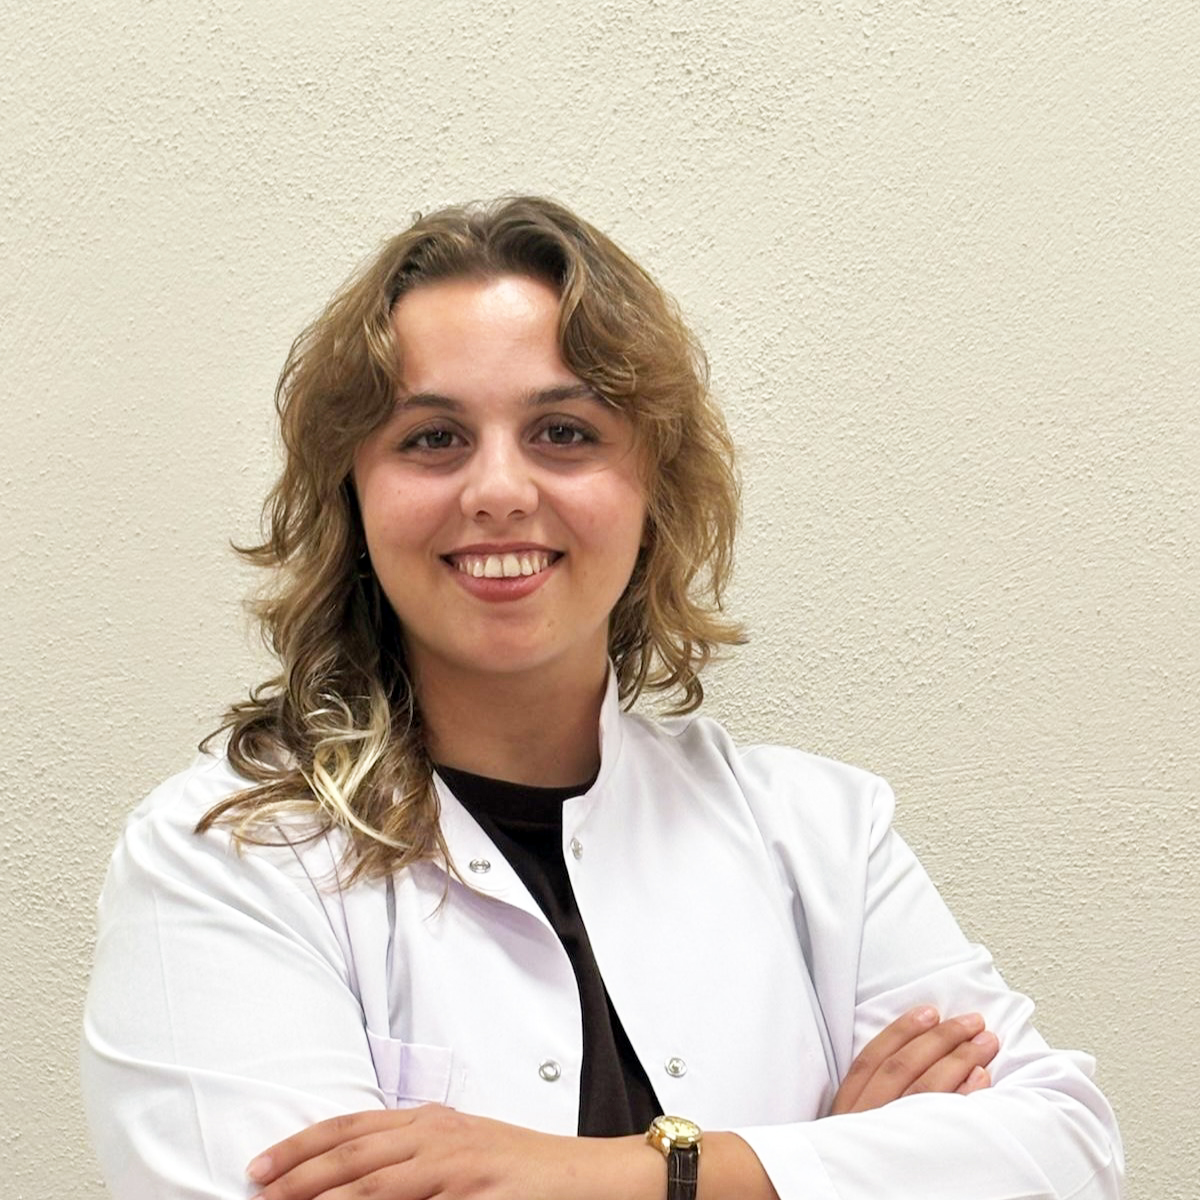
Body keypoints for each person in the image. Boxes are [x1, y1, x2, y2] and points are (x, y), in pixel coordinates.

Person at [82, 196, 1123, 1200]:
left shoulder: (822, 836)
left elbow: (1068, 1154)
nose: (499, 490)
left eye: (565, 432)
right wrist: (824, 1164)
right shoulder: (226, 859)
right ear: (352, 495)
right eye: (432, 438)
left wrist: (605, 1173)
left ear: (653, 487)